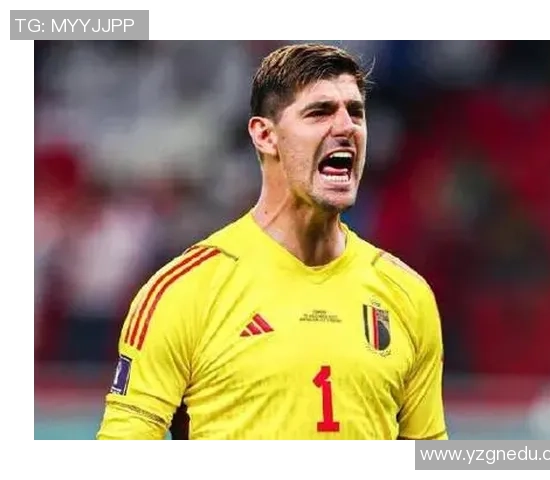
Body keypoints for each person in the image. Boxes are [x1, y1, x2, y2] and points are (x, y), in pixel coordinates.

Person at [96, 43, 447, 440]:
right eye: (320, 112)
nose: (346, 127)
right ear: (265, 135)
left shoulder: (407, 295)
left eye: (356, 112)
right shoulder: (185, 291)